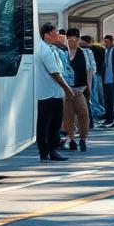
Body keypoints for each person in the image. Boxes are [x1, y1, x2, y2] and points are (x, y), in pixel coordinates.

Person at [36, 22, 75, 162]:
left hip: (54, 92)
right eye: (55, 33)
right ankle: (45, 153)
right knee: (46, 124)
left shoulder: (50, 48)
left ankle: (51, 152)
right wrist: (68, 89)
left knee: (55, 124)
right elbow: (55, 73)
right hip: (48, 93)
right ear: (47, 34)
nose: (58, 35)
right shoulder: (44, 50)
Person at [62, 29, 91, 152]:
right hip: (66, 90)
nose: (72, 40)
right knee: (68, 116)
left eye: (75, 37)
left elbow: (89, 71)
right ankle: (72, 139)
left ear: (79, 39)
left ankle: (83, 139)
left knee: (83, 114)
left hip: (80, 89)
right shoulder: (62, 53)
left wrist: (86, 89)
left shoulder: (85, 53)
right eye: (69, 37)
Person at [83, 35, 106, 124]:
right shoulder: (98, 49)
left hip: (96, 74)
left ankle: (100, 113)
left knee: (94, 95)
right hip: (97, 74)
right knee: (96, 95)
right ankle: (101, 112)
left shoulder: (91, 50)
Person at [100, 34, 114, 128]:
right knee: (107, 99)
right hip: (106, 78)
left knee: (113, 99)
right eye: (104, 42)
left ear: (111, 41)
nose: (105, 43)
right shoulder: (106, 50)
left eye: (107, 41)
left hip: (113, 78)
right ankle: (108, 117)